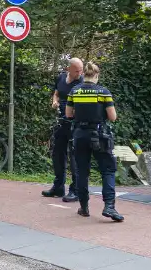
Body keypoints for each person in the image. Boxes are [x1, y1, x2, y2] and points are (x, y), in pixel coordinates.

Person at [65, 62, 123, 222]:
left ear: (84, 75)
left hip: (80, 135)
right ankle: (109, 206)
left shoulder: (74, 91)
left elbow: (68, 114)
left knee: (82, 171)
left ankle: (84, 207)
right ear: (97, 75)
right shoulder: (103, 92)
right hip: (100, 135)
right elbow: (112, 117)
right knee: (108, 170)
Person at [43, 58, 84, 202]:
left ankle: (75, 190)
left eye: (81, 69)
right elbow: (56, 92)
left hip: (75, 124)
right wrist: (54, 101)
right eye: (77, 70)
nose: (80, 72)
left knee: (74, 157)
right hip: (61, 122)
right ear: (69, 69)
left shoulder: (82, 82)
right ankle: (59, 186)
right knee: (57, 153)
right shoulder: (61, 78)